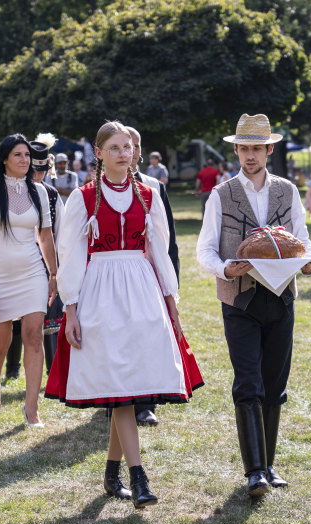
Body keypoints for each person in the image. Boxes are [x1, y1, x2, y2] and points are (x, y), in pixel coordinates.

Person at [45, 121, 202, 508]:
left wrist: (171, 300)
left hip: (141, 290)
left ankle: (112, 472)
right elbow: (71, 255)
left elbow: (160, 250)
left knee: (126, 387)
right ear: (99, 153)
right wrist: (71, 309)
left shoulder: (149, 194)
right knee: (120, 385)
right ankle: (138, 477)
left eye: (128, 147)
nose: (123, 154)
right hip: (100, 290)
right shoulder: (83, 197)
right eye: (114, 148)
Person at [196, 113, 311, 497]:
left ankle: (269, 465)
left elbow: (302, 238)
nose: (250, 155)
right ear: (236, 151)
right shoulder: (221, 194)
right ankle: (255, 472)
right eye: (244, 148)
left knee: (275, 384)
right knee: (248, 382)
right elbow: (204, 250)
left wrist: (309, 261)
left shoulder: (288, 191)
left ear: (269, 150)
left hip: (282, 298)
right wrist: (225, 269)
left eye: (257, 149)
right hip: (239, 299)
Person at [0, 134, 57, 424]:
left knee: (34, 336)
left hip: (32, 273)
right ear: (5, 159)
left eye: (27, 155)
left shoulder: (39, 191)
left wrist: (53, 273)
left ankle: (31, 408)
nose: (24, 160)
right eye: (18, 154)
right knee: (0, 344)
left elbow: (46, 236)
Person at [127, 125, 181, 427]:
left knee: (148, 335)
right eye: (125, 145)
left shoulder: (154, 187)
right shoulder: (97, 188)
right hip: (115, 275)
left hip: (150, 275)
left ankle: (146, 403)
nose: (131, 151)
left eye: (135, 145)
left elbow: (167, 240)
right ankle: (119, 398)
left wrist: (172, 282)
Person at [5, 133, 65, 380]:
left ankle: (52, 371)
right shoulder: (9, 191)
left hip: (45, 262)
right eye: (34, 170)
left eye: (42, 170)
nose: (38, 175)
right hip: (16, 261)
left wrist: (57, 267)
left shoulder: (51, 195)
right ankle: (12, 367)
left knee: (49, 316)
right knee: (15, 316)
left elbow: (60, 232)